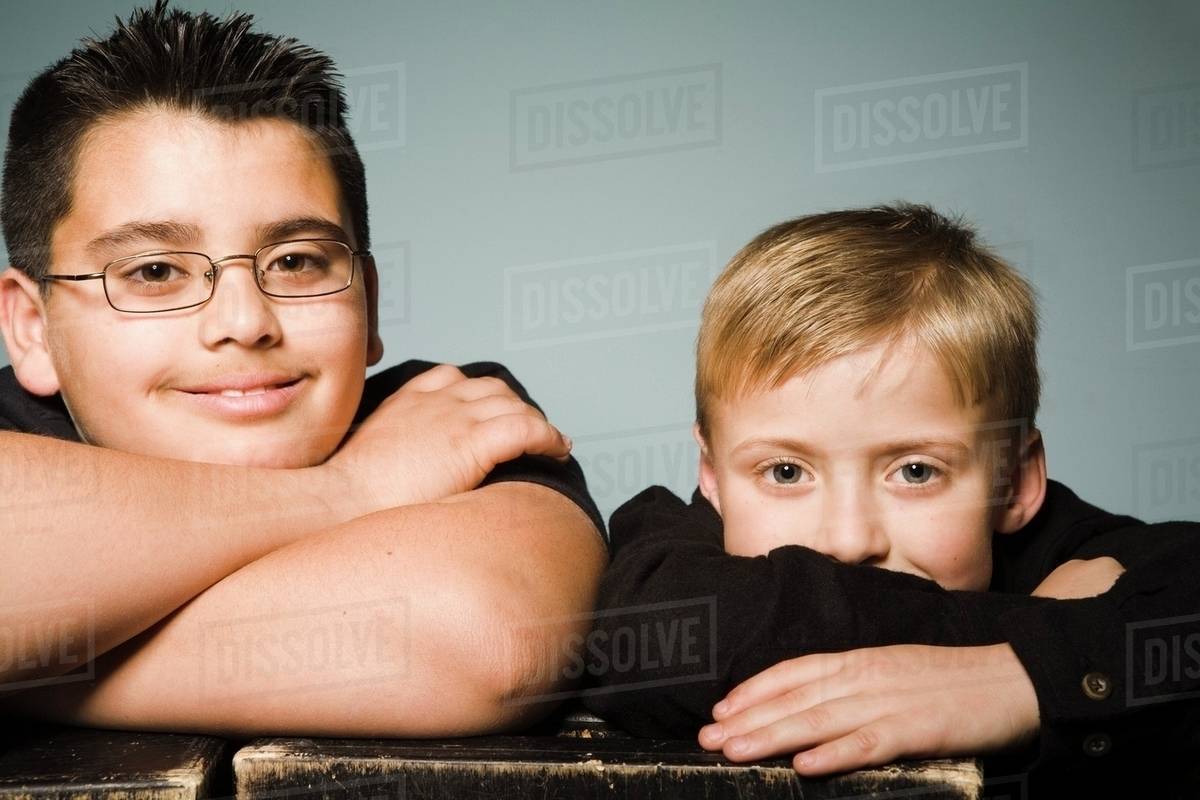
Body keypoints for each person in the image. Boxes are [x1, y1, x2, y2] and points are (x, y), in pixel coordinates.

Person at [0, 2, 607, 736]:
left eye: (294, 261)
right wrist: (350, 489)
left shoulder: (453, 418)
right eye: (155, 270)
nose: (245, 321)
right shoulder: (403, 462)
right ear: (31, 329)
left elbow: (476, 639)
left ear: (369, 301)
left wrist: (30, 663)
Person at [583, 205, 1200, 794]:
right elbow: (658, 637)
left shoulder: (1088, 549)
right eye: (787, 472)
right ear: (712, 475)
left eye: (914, 471)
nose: (848, 541)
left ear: (1014, 480)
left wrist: (1023, 678)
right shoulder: (667, 550)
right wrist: (1044, 654)